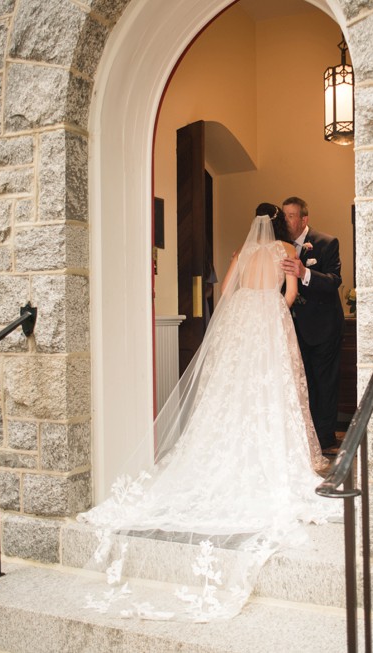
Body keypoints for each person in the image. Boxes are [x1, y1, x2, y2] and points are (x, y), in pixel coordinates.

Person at [77, 204, 339, 623]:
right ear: (278, 224)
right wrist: (273, 306)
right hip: (269, 320)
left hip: (239, 321)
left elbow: (224, 294)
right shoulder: (284, 251)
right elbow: (290, 296)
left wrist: (248, 305)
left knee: (232, 391)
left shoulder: (242, 253)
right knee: (272, 389)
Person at [279, 197, 345, 455]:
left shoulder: (327, 243)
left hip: (324, 327)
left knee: (323, 383)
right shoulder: (281, 247)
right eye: (283, 215)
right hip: (292, 327)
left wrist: (304, 273)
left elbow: (333, 282)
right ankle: (304, 437)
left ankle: (326, 439)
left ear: (304, 219)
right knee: (300, 382)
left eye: (291, 216)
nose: (286, 220)